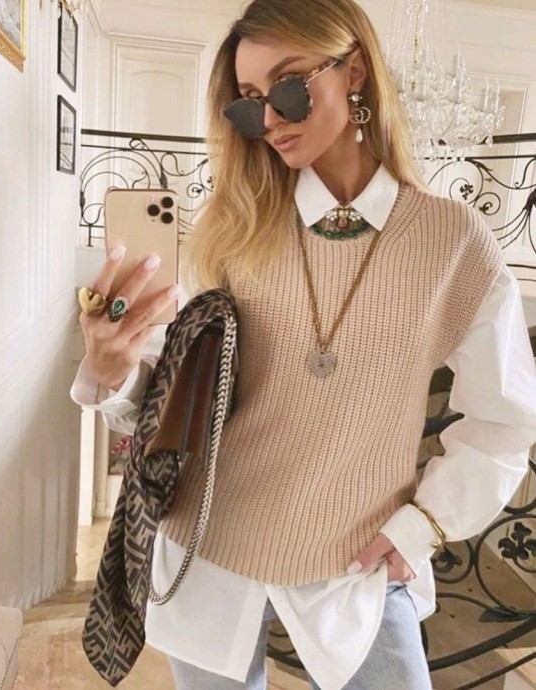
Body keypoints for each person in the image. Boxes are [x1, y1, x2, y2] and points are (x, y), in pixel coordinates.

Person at [71, 1, 536, 688]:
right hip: (206, 552)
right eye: (248, 102)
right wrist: (112, 372)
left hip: (356, 564)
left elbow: (504, 420)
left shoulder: (453, 242)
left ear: (355, 72)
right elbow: (175, 410)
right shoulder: (230, 234)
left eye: (289, 88)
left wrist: (423, 527)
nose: (269, 119)